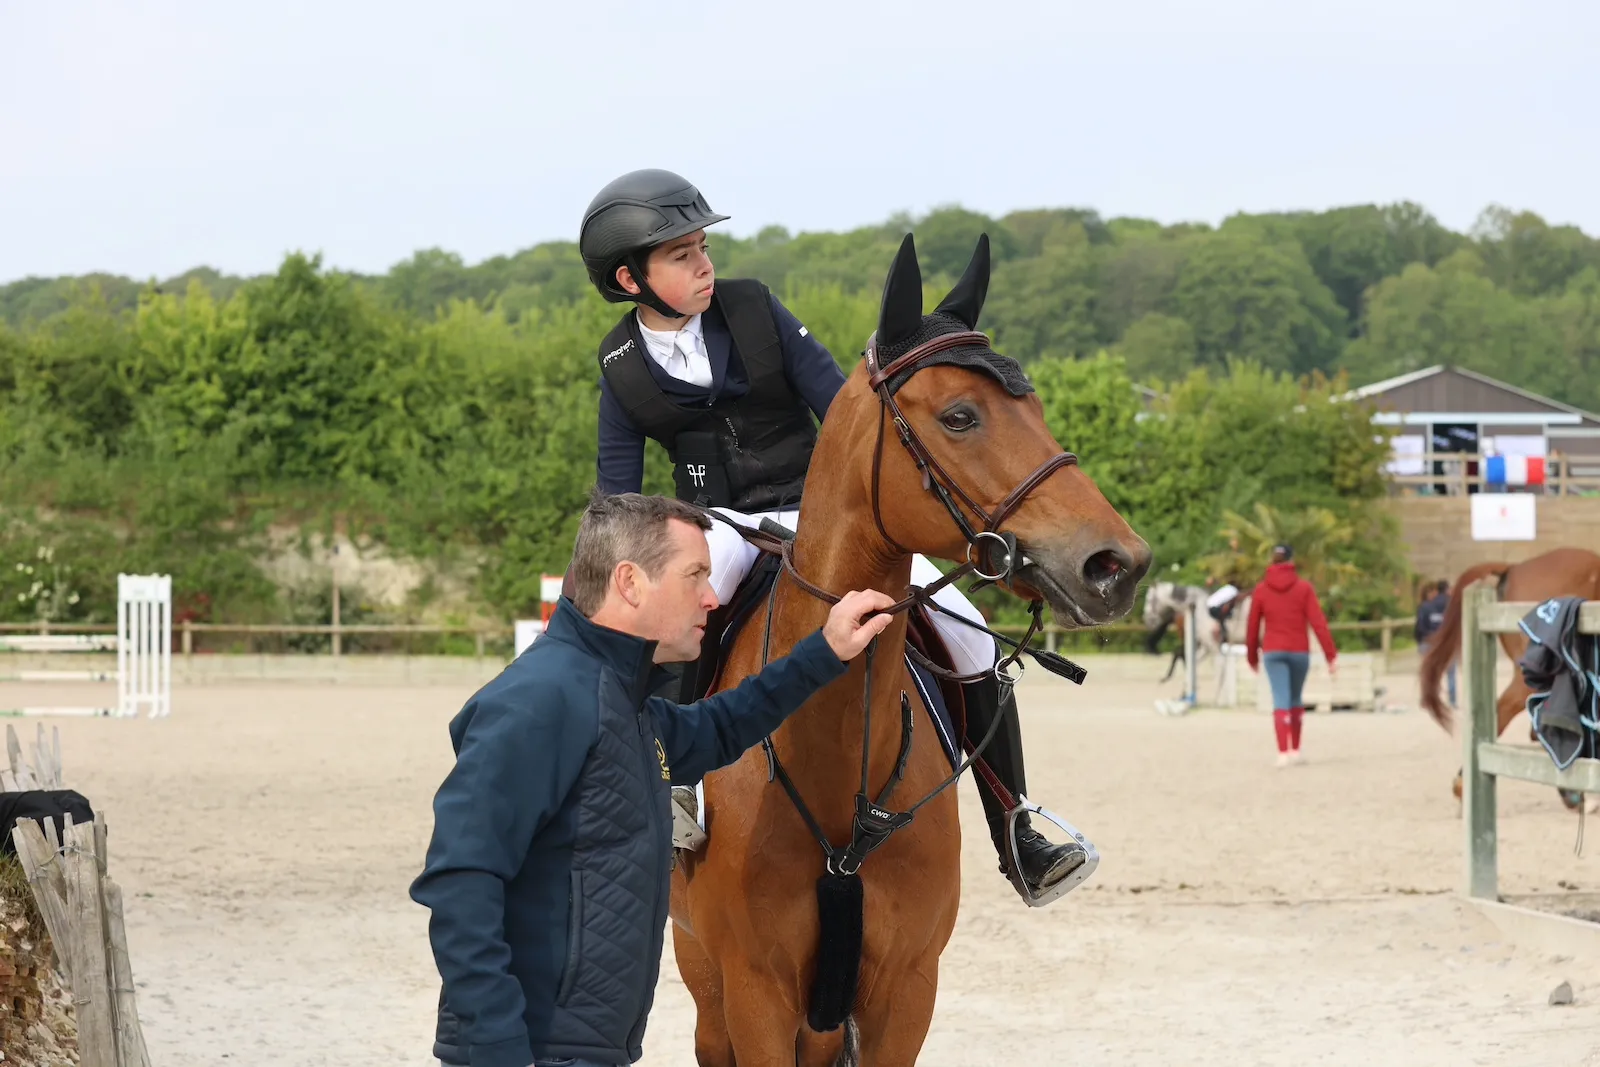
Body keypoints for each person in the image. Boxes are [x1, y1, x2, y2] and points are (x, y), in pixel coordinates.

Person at [576, 167, 1089, 900]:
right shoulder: (621, 368)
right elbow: (619, 493)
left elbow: (843, 406)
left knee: (970, 629)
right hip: (716, 523)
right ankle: (676, 787)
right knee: (684, 606)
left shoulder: (753, 309)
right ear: (631, 278)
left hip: (814, 511)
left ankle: (1016, 825)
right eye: (681, 254)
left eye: (701, 247)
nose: (703, 263)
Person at [410, 490, 897, 1067]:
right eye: (695, 575)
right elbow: (461, 883)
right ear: (630, 582)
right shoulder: (539, 701)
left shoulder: (619, 699)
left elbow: (719, 728)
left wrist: (825, 651)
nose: (712, 598)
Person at [1244, 543, 1338, 767]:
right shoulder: (1304, 588)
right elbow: (1318, 622)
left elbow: (1253, 626)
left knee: (1280, 699)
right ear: (1291, 561)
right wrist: (1330, 655)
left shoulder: (1261, 590)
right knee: (1295, 699)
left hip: (1273, 650)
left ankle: (1282, 752)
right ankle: (1296, 749)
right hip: (1299, 650)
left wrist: (1252, 657)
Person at [1415, 579, 1456, 705]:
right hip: (1447, 642)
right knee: (1451, 673)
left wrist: (1421, 640)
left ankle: (1429, 699)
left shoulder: (1426, 606)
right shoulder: (1452, 606)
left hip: (1428, 642)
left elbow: (1419, 627)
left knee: (1429, 673)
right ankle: (1453, 700)